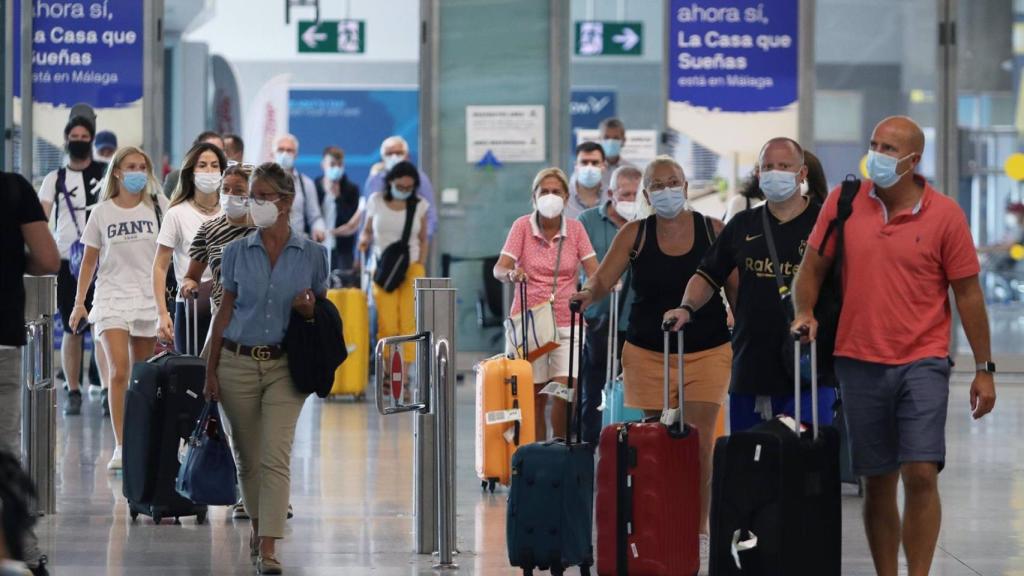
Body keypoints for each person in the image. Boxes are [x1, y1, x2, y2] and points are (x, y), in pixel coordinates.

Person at [791, 116, 996, 576]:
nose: (877, 156)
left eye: (889, 149)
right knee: (877, 481)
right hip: (858, 359)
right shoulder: (844, 204)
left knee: (921, 473)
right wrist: (804, 311)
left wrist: (984, 367)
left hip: (923, 360)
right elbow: (810, 270)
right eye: (874, 145)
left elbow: (967, 293)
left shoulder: (945, 215)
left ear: (913, 160)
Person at [571, 156, 733, 572]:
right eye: (657, 184)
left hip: (706, 350)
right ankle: (656, 522)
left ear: (686, 186)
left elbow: (738, 288)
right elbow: (604, 278)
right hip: (647, 351)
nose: (666, 190)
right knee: (655, 442)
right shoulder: (635, 233)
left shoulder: (712, 230)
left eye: (673, 182)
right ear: (646, 194)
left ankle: (696, 532)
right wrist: (588, 295)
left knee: (699, 443)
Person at [663, 137, 835, 434]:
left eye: (783, 166)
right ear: (758, 173)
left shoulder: (825, 224)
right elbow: (707, 273)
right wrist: (686, 307)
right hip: (751, 367)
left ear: (802, 173)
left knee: (806, 464)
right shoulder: (743, 224)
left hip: (810, 370)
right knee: (751, 465)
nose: (774, 172)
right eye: (767, 166)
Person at [205, 162, 328, 575]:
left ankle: (270, 547)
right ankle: (258, 530)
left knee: (276, 456)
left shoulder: (313, 255)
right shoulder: (236, 252)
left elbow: (322, 315)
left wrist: (310, 312)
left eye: (261, 196)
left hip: (285, 367)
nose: (253, 203)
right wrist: (209, 368)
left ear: (286, 201)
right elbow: (223, 312)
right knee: (249, 458)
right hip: (235, 362)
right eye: (251, 196)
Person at [69, 147, 170, 471]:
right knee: (119, 370)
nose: (138, 171)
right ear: (117, 172)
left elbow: (171, 253)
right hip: (111, 296)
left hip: (145, 298)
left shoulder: (158, 207)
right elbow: (89, 260)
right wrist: (79, 303)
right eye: (131, 166)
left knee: (142, 375)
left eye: (142, 166)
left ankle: (141, 439)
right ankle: (122, 445)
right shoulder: (102, 212)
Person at [495, 167, 598, 440]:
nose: (550, 196)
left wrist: (587, 291)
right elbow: (500, 267)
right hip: (529, 325)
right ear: (534, 197)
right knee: (534, 397)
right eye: (545, 192)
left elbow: (595, 273)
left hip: (568, 324)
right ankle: (536, 458)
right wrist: (511, 274)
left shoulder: (576, 230)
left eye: (556, 192)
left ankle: (560, 450)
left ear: (566, 197)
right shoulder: (521, 227)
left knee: (565, 394)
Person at [0, 171, 60, 576]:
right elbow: (47, 259)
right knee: (3, 454)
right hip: (1, 338)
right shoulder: (12, 188)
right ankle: (21, 550)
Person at [37, 116, 108, 416]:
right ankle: (73, 389)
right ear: (66, 140)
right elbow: (41, 217)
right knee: (72, 327)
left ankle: (107, 388)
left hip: (103, 260)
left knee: (104, 326)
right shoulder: (55, 178)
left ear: (91, 139)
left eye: (84, 135)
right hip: (68, 261)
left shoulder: (105, 173)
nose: (79, 139)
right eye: (74, 135)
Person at [576, 165, 641, 444]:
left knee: (637, 388)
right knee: (594, 391)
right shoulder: (587, 221)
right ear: (611, 193)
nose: (631, 200)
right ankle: (590, 449)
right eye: (626, 194)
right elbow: (579, 267)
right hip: (599, 319)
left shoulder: (647, 221)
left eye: (637, 194)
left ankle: (630, 446)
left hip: (637, 319)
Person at [358, 161, 430, 375]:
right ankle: (389, 373)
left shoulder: (420, 205)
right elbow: (367, 230)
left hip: (411, 267)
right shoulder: (376, 201)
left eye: (409, 188)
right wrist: (363, 240)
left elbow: (424, 238)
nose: (404, 191)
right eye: (400, 187)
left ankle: (404, 376)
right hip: (383, 269)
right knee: (386, 322)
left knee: (408, 321)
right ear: (390, 182)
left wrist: (420, 264)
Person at [153, 143, 226, 352]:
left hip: (227, 303)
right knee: (192, 376)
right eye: (202, 165)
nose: (209, 171)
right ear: (191, 172)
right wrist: (162, 313)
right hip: (190, 306)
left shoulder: (232, 212)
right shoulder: (176, 213)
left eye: (214, 165)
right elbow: (159, 266)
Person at [363, 136, 438, 238]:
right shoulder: (374, 181)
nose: (394, 157)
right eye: (389, 154)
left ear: (407, 156)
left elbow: (430, 215)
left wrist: (421, 240)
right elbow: (367, 214)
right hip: (380, 244)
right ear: (382, 158)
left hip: (410, 242)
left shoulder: (419, 179)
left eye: (398, 153)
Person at [314, 146, 363, 274]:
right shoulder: (314, 187)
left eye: (339, 164)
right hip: (316, 246)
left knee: (342, 288)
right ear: (323, 165)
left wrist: (338, 198)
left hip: (342, 249)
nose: (336, 168)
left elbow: (351, 222)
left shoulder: (351, 190)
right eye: (332, 164)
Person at [273, 134, 326, 243]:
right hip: (269, 245)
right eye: (281, 149)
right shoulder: (262, 181)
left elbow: (315, 217)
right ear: (273, 152)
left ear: (296, 154)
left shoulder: (306, 184)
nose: (285, 154)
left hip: (297, 246)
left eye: (289, 150)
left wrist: (319, 229)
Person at [163, 131, 224, 198]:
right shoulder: (176, 178)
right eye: (210, 150)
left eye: (220, 151)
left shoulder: (228, 177)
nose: (215, 154)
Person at [565, 141, 607, 219]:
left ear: (603, 166)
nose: (589, 168)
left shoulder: (612, 197)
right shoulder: (562, 196)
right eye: (584, 162)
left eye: (595, 163)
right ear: (576, 166)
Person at [597, 117, 633, 190]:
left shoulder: (632, 171)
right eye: (606, 137)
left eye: (616, 138)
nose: (610, 142)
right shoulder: (592, 171)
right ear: (600, 139)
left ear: (623, 141)